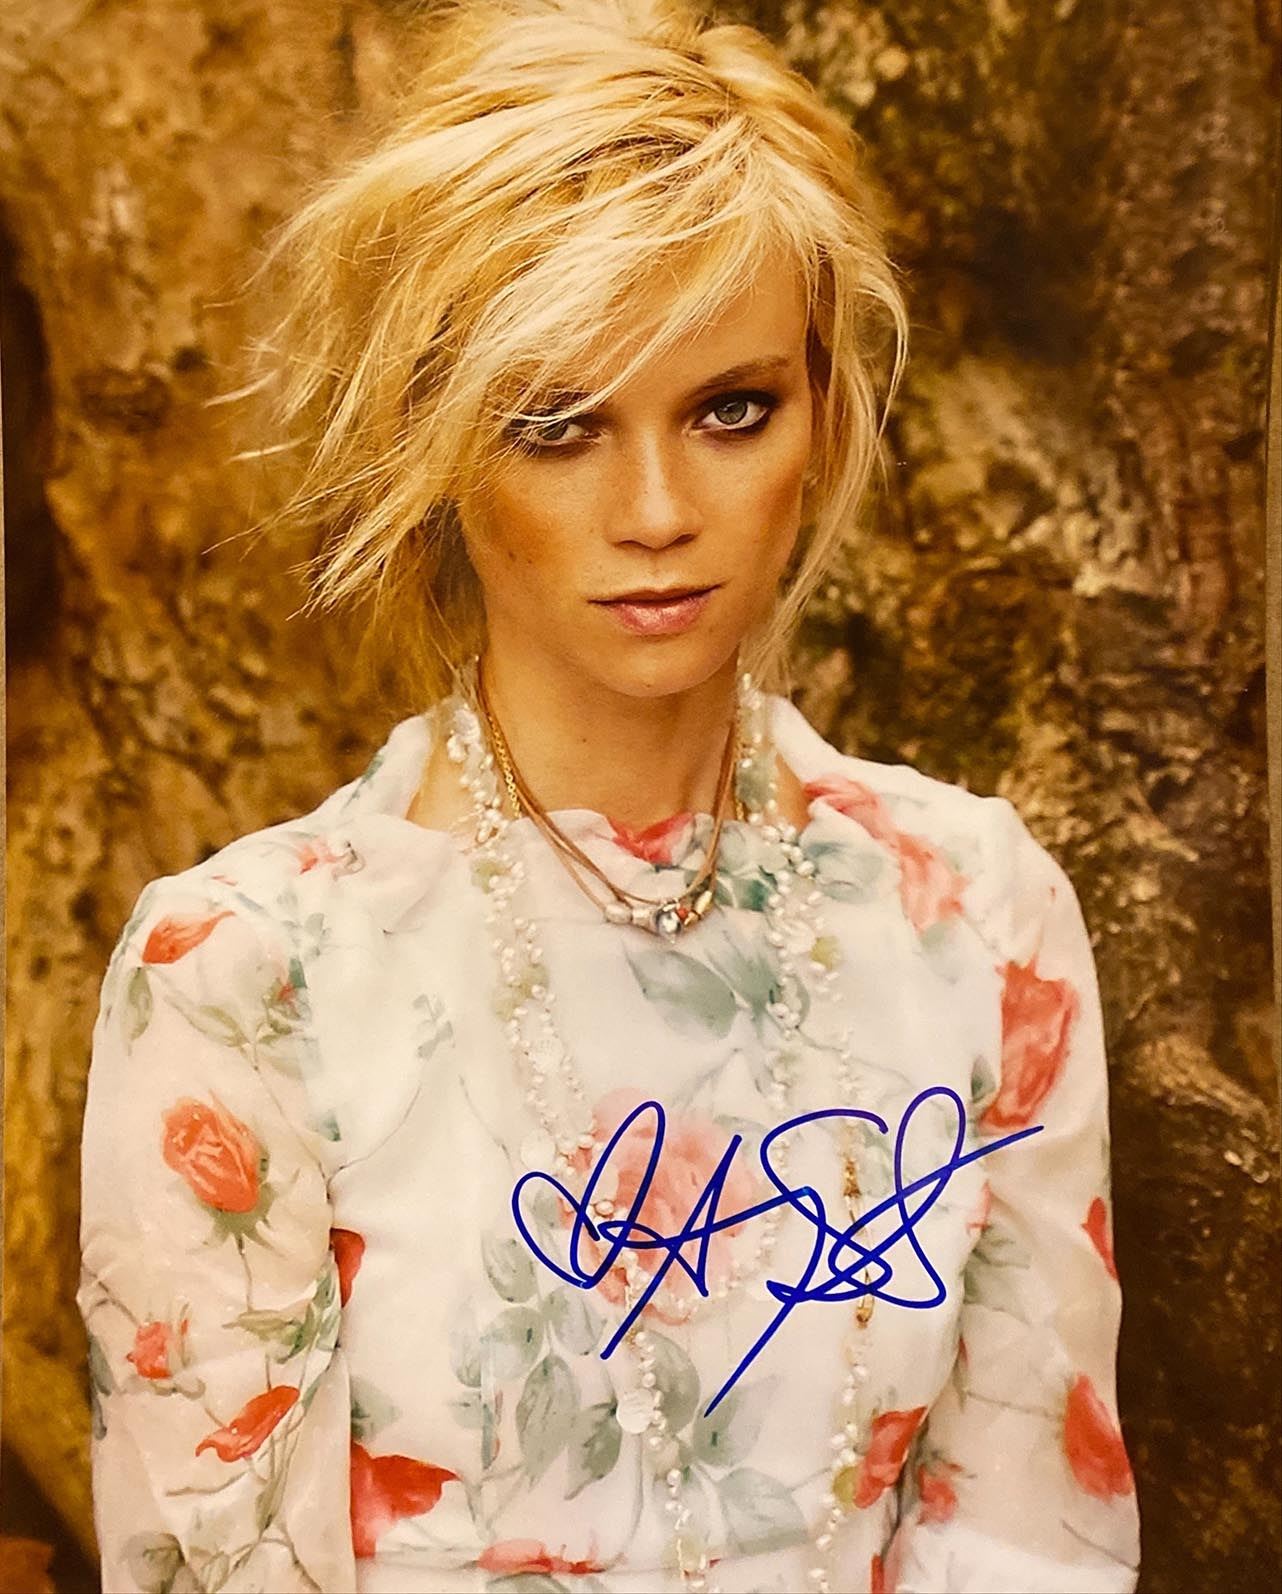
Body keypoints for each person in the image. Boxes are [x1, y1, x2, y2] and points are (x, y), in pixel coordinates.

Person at [75, 2, 1142, 1590]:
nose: (655, 509)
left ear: (821, 406)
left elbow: (1031, 1533)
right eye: (556, 425)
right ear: (435, 438)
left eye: (729, 409)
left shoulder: (976, 913)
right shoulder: (242, 973)